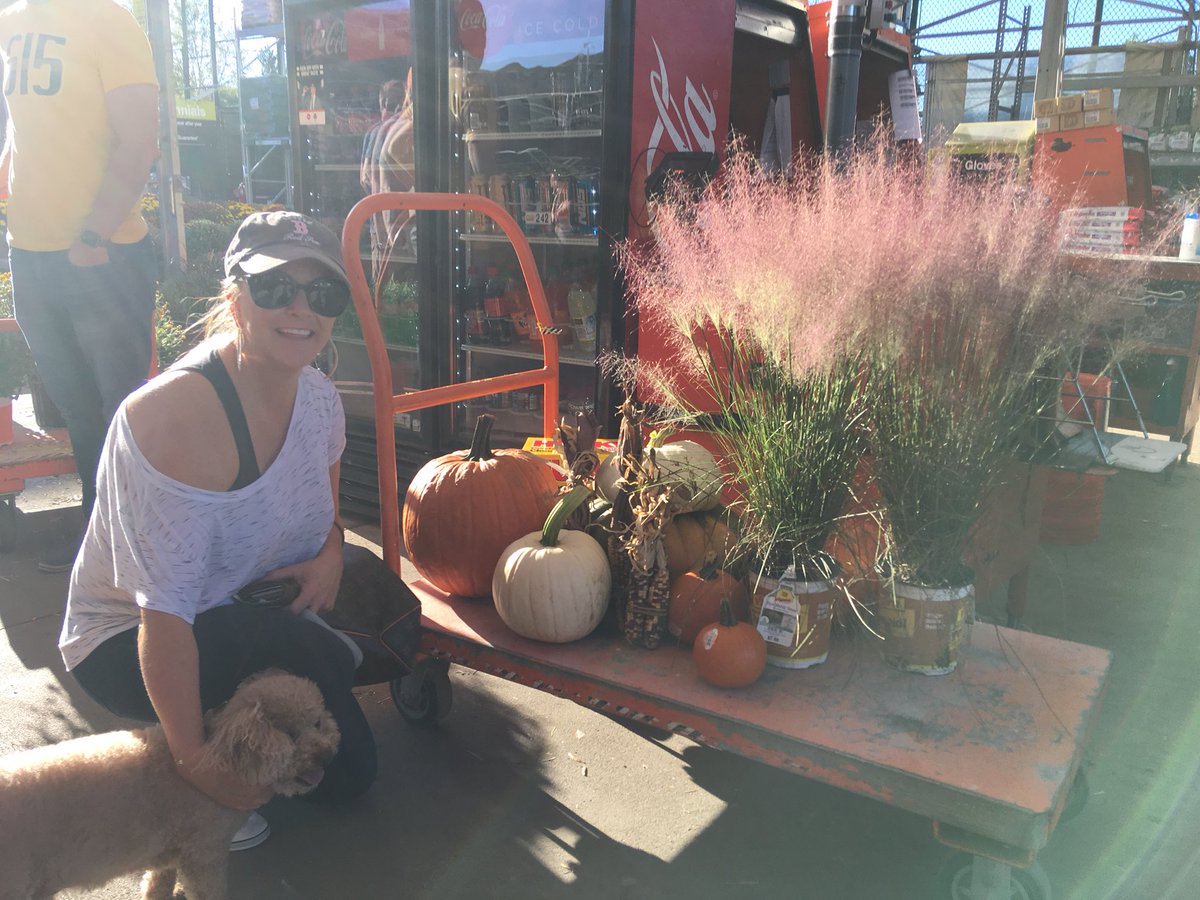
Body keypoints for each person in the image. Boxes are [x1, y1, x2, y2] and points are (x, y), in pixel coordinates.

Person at [59, 211, 377, 851]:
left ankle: (302, 672)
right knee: (345, 775)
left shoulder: (319, 399)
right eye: (274, 287)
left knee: (376, 608)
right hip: (131, 640)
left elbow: (327, 518)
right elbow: (164, 617)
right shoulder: (172, 418)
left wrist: (334, 553)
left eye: (323, 293)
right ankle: (190, 765)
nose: (300, 307)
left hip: (245, 602)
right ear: (234, 297)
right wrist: (193, 764)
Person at [0, 0, 161, 573]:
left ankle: (135, 552)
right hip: (31, 255)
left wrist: (93, 234)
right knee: (78, 410)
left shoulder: (109, 19)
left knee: (120, 410)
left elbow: (139, 139)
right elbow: (22, 133)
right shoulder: (12, 22)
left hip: (102, 254)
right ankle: (103, 549)